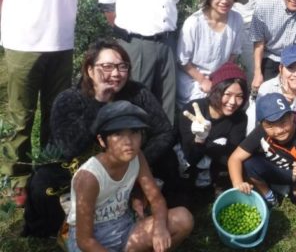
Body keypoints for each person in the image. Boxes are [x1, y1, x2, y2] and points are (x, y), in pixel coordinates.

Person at [22, 39, 176, 238]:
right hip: (77, 165)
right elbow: (69, 148)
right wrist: (99, 102)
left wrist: (137, 161)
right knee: (42, 184)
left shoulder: (137, 93)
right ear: (89, 70)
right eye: (107, 67)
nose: (115, 74)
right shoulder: (69, 99)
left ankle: (162, 213)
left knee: (169, 160)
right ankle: (55, 230)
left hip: (127, 161)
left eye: (122, 67)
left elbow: (165, 131)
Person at [0, 0, 85, 205]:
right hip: (21, 42)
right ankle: (17, 180)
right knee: (19, 117)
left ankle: (49, 175)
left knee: (56, 116)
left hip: (61, 43)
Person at [66, 101, 193, 251]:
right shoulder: (89, 177)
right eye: (117, 134)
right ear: (102, 140)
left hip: (124, 228)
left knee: (184, 219)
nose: (128, 142)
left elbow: (156, 199)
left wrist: (160, 228)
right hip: (93, 239)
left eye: (134, 132)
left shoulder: (137, 157)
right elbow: (85, 240)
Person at [228, 93, 296, 219]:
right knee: (248, 164)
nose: (278, 130)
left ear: (292, 117)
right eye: (270, 125)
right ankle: (269, 196)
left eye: (283, 122)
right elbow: (234, 158)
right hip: (278, 171)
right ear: (262, 124)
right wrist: (237, 182)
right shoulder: (260, 131)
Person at [176, 0, 246, 107]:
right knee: (200, 110)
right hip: (193, 79)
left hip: (220, 77)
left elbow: (233, 54)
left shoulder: (237, 19)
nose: (224, 1)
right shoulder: (194, 23)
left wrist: (219, 78)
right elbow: (183, 60)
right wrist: (203, 81)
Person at [177, 62, 249, 190]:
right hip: (188, 164)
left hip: (219, 169)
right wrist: (200, 139)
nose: (233, 102)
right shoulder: (192, 110)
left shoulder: (240, 118)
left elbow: (231, 156)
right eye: (227, 94)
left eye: (239, 96)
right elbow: (190, 156)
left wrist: (207, 144)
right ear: (216, 91)